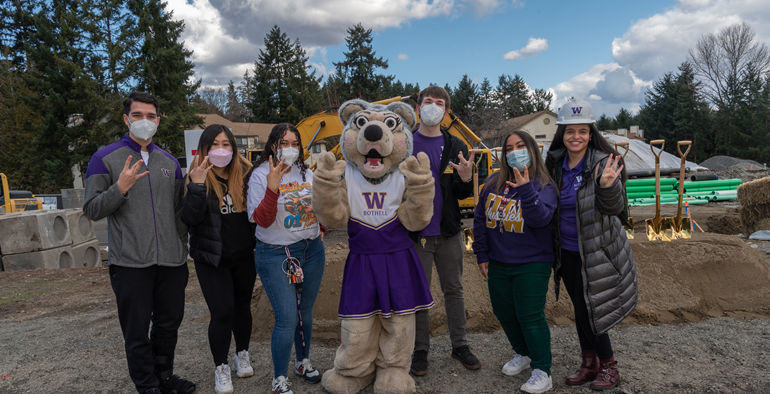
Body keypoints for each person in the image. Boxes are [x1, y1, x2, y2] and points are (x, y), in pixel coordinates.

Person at [83, 91, 196, 394]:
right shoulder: (104, 159)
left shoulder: (170, 162)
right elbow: (91, 209)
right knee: (136, 332)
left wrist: (182, 250)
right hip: (130, 263)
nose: (144, 121)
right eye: (137, 115)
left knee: (167, 326)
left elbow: (178, 213)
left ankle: (165, 377)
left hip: (171, 262)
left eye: (150, 116)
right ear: (126, 119)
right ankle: (147, 386)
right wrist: (118, 189)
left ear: (158, 121)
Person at [546, 98, 638, 391]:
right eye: (570, 131)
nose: (576, 137)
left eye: (582, 131)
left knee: (591, 311)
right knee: (580, 308)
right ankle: (589, 363)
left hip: (597, 252)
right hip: (569, 252)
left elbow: (615, 209)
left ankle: (609, 367)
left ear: (590, 132)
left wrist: (608, 186)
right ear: (561, 132)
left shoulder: (603, 163)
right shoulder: (556, 163)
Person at [473, 131, 557, 393]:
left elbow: (541, 219)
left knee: (530, 316)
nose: (514, 151)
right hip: (498, 262)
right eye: (509, 148)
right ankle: (524, 353)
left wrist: (525, 189)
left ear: (532, 150)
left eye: (521, 146)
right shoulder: (492, 184)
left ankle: (543, 370)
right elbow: (480, 220)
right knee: (504, 312)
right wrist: (482, 253)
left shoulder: (544, 185)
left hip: (532, 263)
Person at [245, 123, 325, 394]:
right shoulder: (259, 175)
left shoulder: (305, 172)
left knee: (305, 312)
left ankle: (302, 362)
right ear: (272, 146)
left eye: (294, 143)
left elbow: (318, 204)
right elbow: (263, 221)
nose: (289, 148)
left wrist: (320, 227)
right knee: (287, 317)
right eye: (283, 143)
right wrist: (272, 187)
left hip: (311, 249)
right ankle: (279, 379)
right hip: (277, 253)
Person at [409, 86, 480, 375]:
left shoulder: (456, 145)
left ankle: (460, 345)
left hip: (449, 231)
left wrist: (466, 179)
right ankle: (420, 350)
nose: (433, 106)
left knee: (455, 290)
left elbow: (463, 192)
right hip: (416, 234)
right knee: (419, 294)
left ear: (446, 112)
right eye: (428, 102)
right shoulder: (404, 144)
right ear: (418, 107)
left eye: (440, 103)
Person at [181, 125, 256, 394]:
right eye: (214, 144)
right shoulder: (195, 177)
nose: (221, 149)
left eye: (226, 144)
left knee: (242, 308)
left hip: (245, 255)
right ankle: (221, 366)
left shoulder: (245, 174)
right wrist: (197, 186)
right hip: (212, 258)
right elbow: (189, 219)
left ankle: (242, 354)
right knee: (222, 312)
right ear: (204, 148)